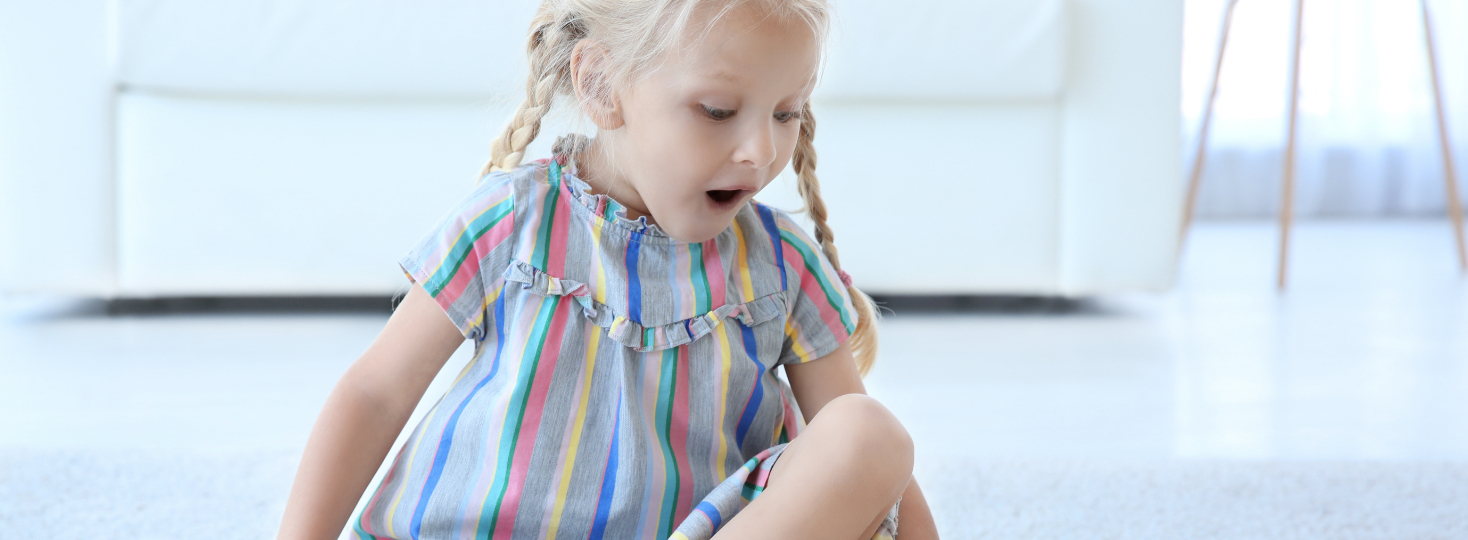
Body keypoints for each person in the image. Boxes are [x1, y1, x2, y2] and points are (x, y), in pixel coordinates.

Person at [276, 0, 937, 538]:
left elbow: (877, 477)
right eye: (717, 111)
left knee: (868, 431)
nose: (760, 150)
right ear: (600, 85)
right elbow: (376, 393)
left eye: (787, 113)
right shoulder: (516, 220)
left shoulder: (781, 264)